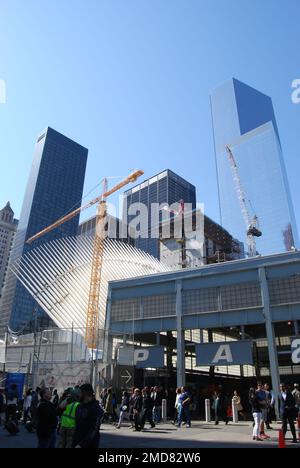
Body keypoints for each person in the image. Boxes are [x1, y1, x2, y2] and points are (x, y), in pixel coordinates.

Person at [72, 383, 104, 448]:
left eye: (80, 393)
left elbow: (94, 430)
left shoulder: (96, 408)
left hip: (89, 444)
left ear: (85, 394)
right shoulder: (79, 406)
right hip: (76, 442)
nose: (78, 395)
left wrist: (81, 444)